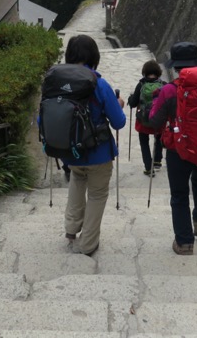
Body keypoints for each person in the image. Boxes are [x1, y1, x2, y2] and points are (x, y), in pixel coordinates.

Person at [60, 34, 125, 256]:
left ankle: (71, 229)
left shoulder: (58, 82)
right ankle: (88, 244)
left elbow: (43, 119)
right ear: (94, 57)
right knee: (97, 194)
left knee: (77, 180)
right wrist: (118, 105)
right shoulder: (100, 83)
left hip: (70, 152)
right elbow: (119, 122)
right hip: (98, 153)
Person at [148, 41, 197, 256]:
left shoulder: (168, 90)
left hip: (179, 148)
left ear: (175, 68)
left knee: (179, 193)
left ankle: (184, 243)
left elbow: (155, 122)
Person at [127, 60, 164, 176]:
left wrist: (130, 98)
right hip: (158, 119)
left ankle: (148, 168)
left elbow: (133, 103)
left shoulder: (141, 85)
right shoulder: (163, 85)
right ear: (158, 72)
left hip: (143, 120)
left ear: (145, 72)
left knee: (144, 143)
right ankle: (157, 161)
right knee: (158, 138)